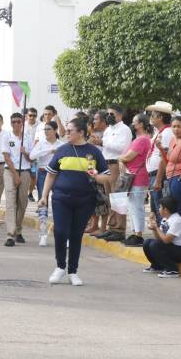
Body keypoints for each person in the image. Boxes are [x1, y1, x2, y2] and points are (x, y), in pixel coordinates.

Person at [40, 117, 110, 286]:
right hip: (61, 199)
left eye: (70, 130)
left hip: (85, 200)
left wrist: (93, 174)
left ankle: (73, 271)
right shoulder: (62, 150)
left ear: (81, 132)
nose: (66, 133)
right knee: (61, 232)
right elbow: (51, 174)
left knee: (76, 235)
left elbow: (106, 177)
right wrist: (43, 196)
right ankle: (60, 267)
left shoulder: (94, 152)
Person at [98, 105, 132, 242]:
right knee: (110, 198)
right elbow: (105, 148)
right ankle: (112, 228)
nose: (108, 116)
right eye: (107, 114)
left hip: (116, 165)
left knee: (118, 197)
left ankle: (119, 230)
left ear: (120, 115)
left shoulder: (125, 129)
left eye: (111, 114)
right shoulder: (108, 130)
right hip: (106, 164)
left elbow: (122, 147)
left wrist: (102, 142)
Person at [119, 114, 152, 247]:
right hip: (133, 176)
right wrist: (122, 158)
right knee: (132, 206)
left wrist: (121, 159)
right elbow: (125, 157)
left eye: (135, 122)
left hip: (138, 176)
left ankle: (138, 234)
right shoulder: (138, 139)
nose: (132, 124)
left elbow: (127, 156)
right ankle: (134, 233)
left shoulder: (142, 140)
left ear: (142, 124)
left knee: (137, 206)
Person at [29, 121, 63, 246]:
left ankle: (60, 234)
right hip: (43, 173)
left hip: (58, 175)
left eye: (49, 129)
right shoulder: (41, 143)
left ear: (55, 130)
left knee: (58, 203)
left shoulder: (62, 145)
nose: (46, 131)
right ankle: (43, 234)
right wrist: (49, 151)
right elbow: (32, 156)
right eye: (45, 129)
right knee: (43, 203)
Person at [2, 113, 34, 247]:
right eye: (13, 122)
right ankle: (10, 234)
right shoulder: (6, 136)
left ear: (22, 123)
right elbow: (6, 157)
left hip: (25, 171)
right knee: (10, 202)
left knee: (22, 202)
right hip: (10, 171)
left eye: (18, 122)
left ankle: (18, 229)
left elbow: (32, 158)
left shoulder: (28, 137)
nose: (16, 124)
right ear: (11, 123)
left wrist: (25, 152)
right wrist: (15, 175)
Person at [143, 196, 181, 278]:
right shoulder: (166, 219)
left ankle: (173, 270)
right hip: (174, 248)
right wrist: (154, 228)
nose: (159, 209)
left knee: (155, 245)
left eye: (160, 207)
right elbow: (159, 238)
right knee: (147, 243)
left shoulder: (177, 221)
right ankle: (157, 266)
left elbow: (166, 240)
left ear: (166, 210)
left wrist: (156, 228)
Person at [156, 116, 181, 225]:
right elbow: (168, 162)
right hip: (171, 177)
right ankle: (174, 236)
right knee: (172, 208)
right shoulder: (173, 140)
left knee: (180, 208)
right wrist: (161, 148)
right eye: (174, 126)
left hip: (180, 178)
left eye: (179, 126)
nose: (176, 129)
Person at [145, 101, 174, 225]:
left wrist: (157, 180)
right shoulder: (159, 132)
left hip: (159, 175)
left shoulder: (167, 133)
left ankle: (164, 236)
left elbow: (164, 157)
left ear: (160, 117)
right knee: (155, 207)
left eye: (153, 114)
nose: (150, 116)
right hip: (154, 175)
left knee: (160, 208)